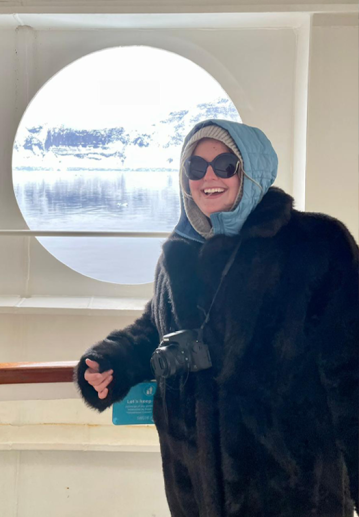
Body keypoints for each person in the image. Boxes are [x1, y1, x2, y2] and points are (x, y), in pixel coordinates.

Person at [74, 120, 358, 516]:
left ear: (251, 170)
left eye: (225, 164)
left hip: (294, 491)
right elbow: (155, 328)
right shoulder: (179, 253)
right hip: (194, 490)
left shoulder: (316, 245)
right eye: (195, 166)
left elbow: (350, 371)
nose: (209, 176)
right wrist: (112, 364)